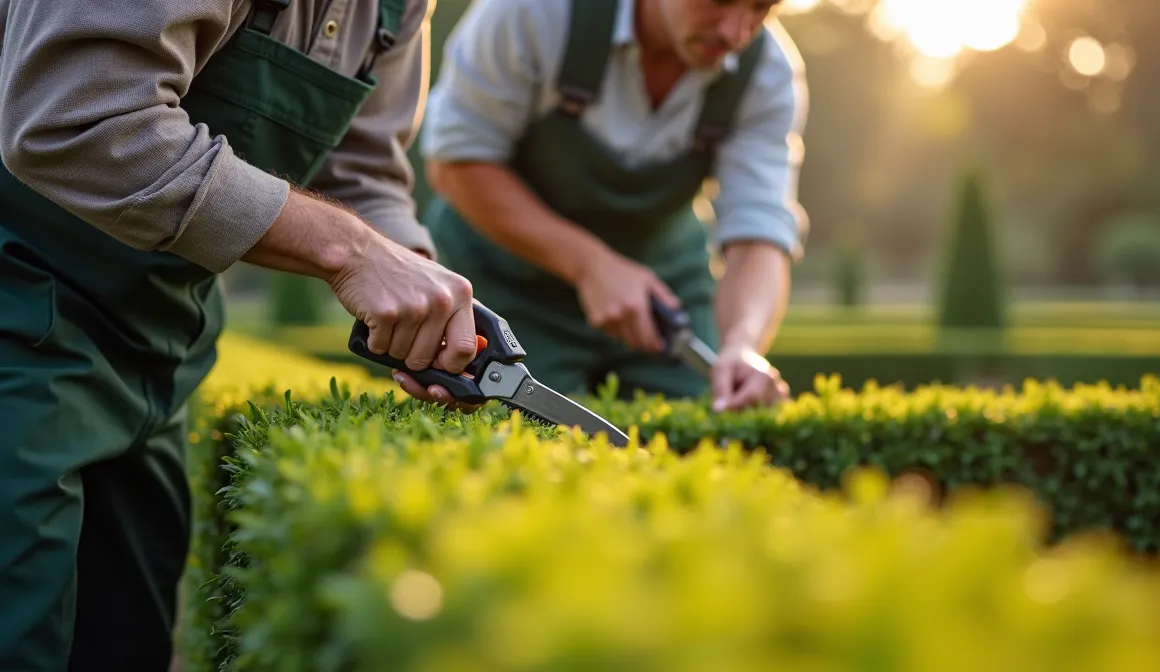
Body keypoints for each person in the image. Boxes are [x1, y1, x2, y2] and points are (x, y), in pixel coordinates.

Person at [0, 0, 479, 669]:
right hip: (14, 312)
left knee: (123, 641)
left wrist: (416, 279)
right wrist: (351, 250)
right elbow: (78, 119)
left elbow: (359, 170)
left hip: (159, 352)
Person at [420, 0, 809, 411]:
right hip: (504, 288)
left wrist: (742, 342)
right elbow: (456, 164)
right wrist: (591, 265)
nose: (735, 32)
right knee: (518, 432)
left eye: (761, 7)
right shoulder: (534, 11)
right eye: (719, 1)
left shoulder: (766, 71)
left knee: (702, 436)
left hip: (664, 306)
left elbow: (759, 230)